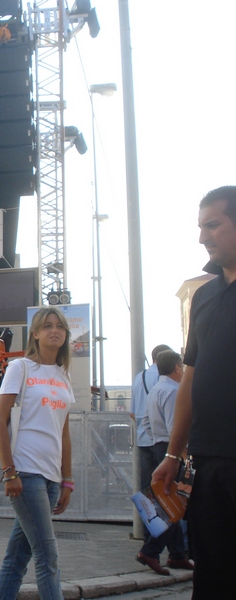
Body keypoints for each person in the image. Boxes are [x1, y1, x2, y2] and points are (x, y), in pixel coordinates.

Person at [153, 185, 236, 598]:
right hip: (207, 464)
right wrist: (173, 453)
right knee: (213, 577)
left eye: (213, 225)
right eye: (201, 227)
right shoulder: (203, 297)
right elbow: (189, 380)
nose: (203, 236)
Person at [0, 307, 75, 600]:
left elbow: (63, 432)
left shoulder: (64, 376)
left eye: (60, 327)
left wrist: (67, 480)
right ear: (36, 334)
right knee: (47, 555)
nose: (55, 331)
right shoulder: (21, 368)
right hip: (26, 473)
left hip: (52, 477)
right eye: (47, 326)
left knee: (17, 557)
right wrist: (9, 471)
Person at [136, 350, 192, 575]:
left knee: (169, 502)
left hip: (158, 447)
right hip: (172, 450)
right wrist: (182, 455)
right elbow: (175, 426)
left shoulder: (156, 390)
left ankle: (177, 554)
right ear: (177, 368)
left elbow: (146, 423)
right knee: (174, 506)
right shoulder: (173, 391)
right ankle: (151, 550)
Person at [130, 344, 172, 499]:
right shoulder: (164, 378)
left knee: (147, 486)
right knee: (166, 485)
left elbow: (133, 413)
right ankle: (167, 521)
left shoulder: (139, 377)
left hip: (142, 439)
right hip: (162, 440)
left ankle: (150, 521)